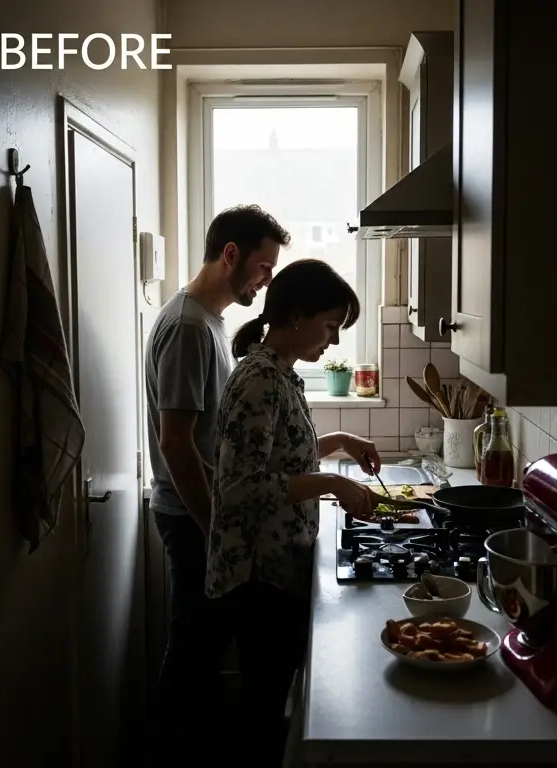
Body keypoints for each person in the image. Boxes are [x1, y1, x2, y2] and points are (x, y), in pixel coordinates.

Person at [206, 258, 386, 765]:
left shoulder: (280, 374)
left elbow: (282, 454)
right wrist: (330, 483)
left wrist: (340, 442)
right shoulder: (259, 380)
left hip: (277, 570)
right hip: (258, 576)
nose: (331, 340)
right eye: (330, 325)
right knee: (263, 708)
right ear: (297, 316)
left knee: (271, 700)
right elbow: (241, 487)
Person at [143, 204, 287, 764]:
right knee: (192, 660)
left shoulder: (209, 321)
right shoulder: (185, 327)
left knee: (201, 655)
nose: (266, 278)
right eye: (263, 265)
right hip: (190, 516)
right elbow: (175, 442)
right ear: (231, 255)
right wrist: (213, 530)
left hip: (202, 514)